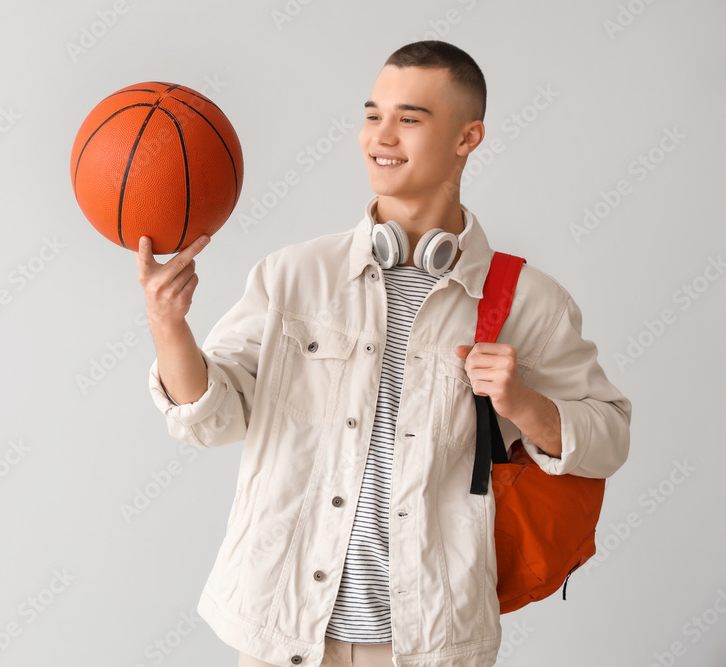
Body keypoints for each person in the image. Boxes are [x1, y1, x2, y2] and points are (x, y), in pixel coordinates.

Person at [133, 40, 631, 667]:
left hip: (425, 645)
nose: (381, 136)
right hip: (283, 631)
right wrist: (167, 324)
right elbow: (213, 419)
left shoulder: (527, 301)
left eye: (410, 119)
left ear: (466, 137)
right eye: (373, 115)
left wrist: (523, 404)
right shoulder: (294, 276)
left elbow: (610, 436)